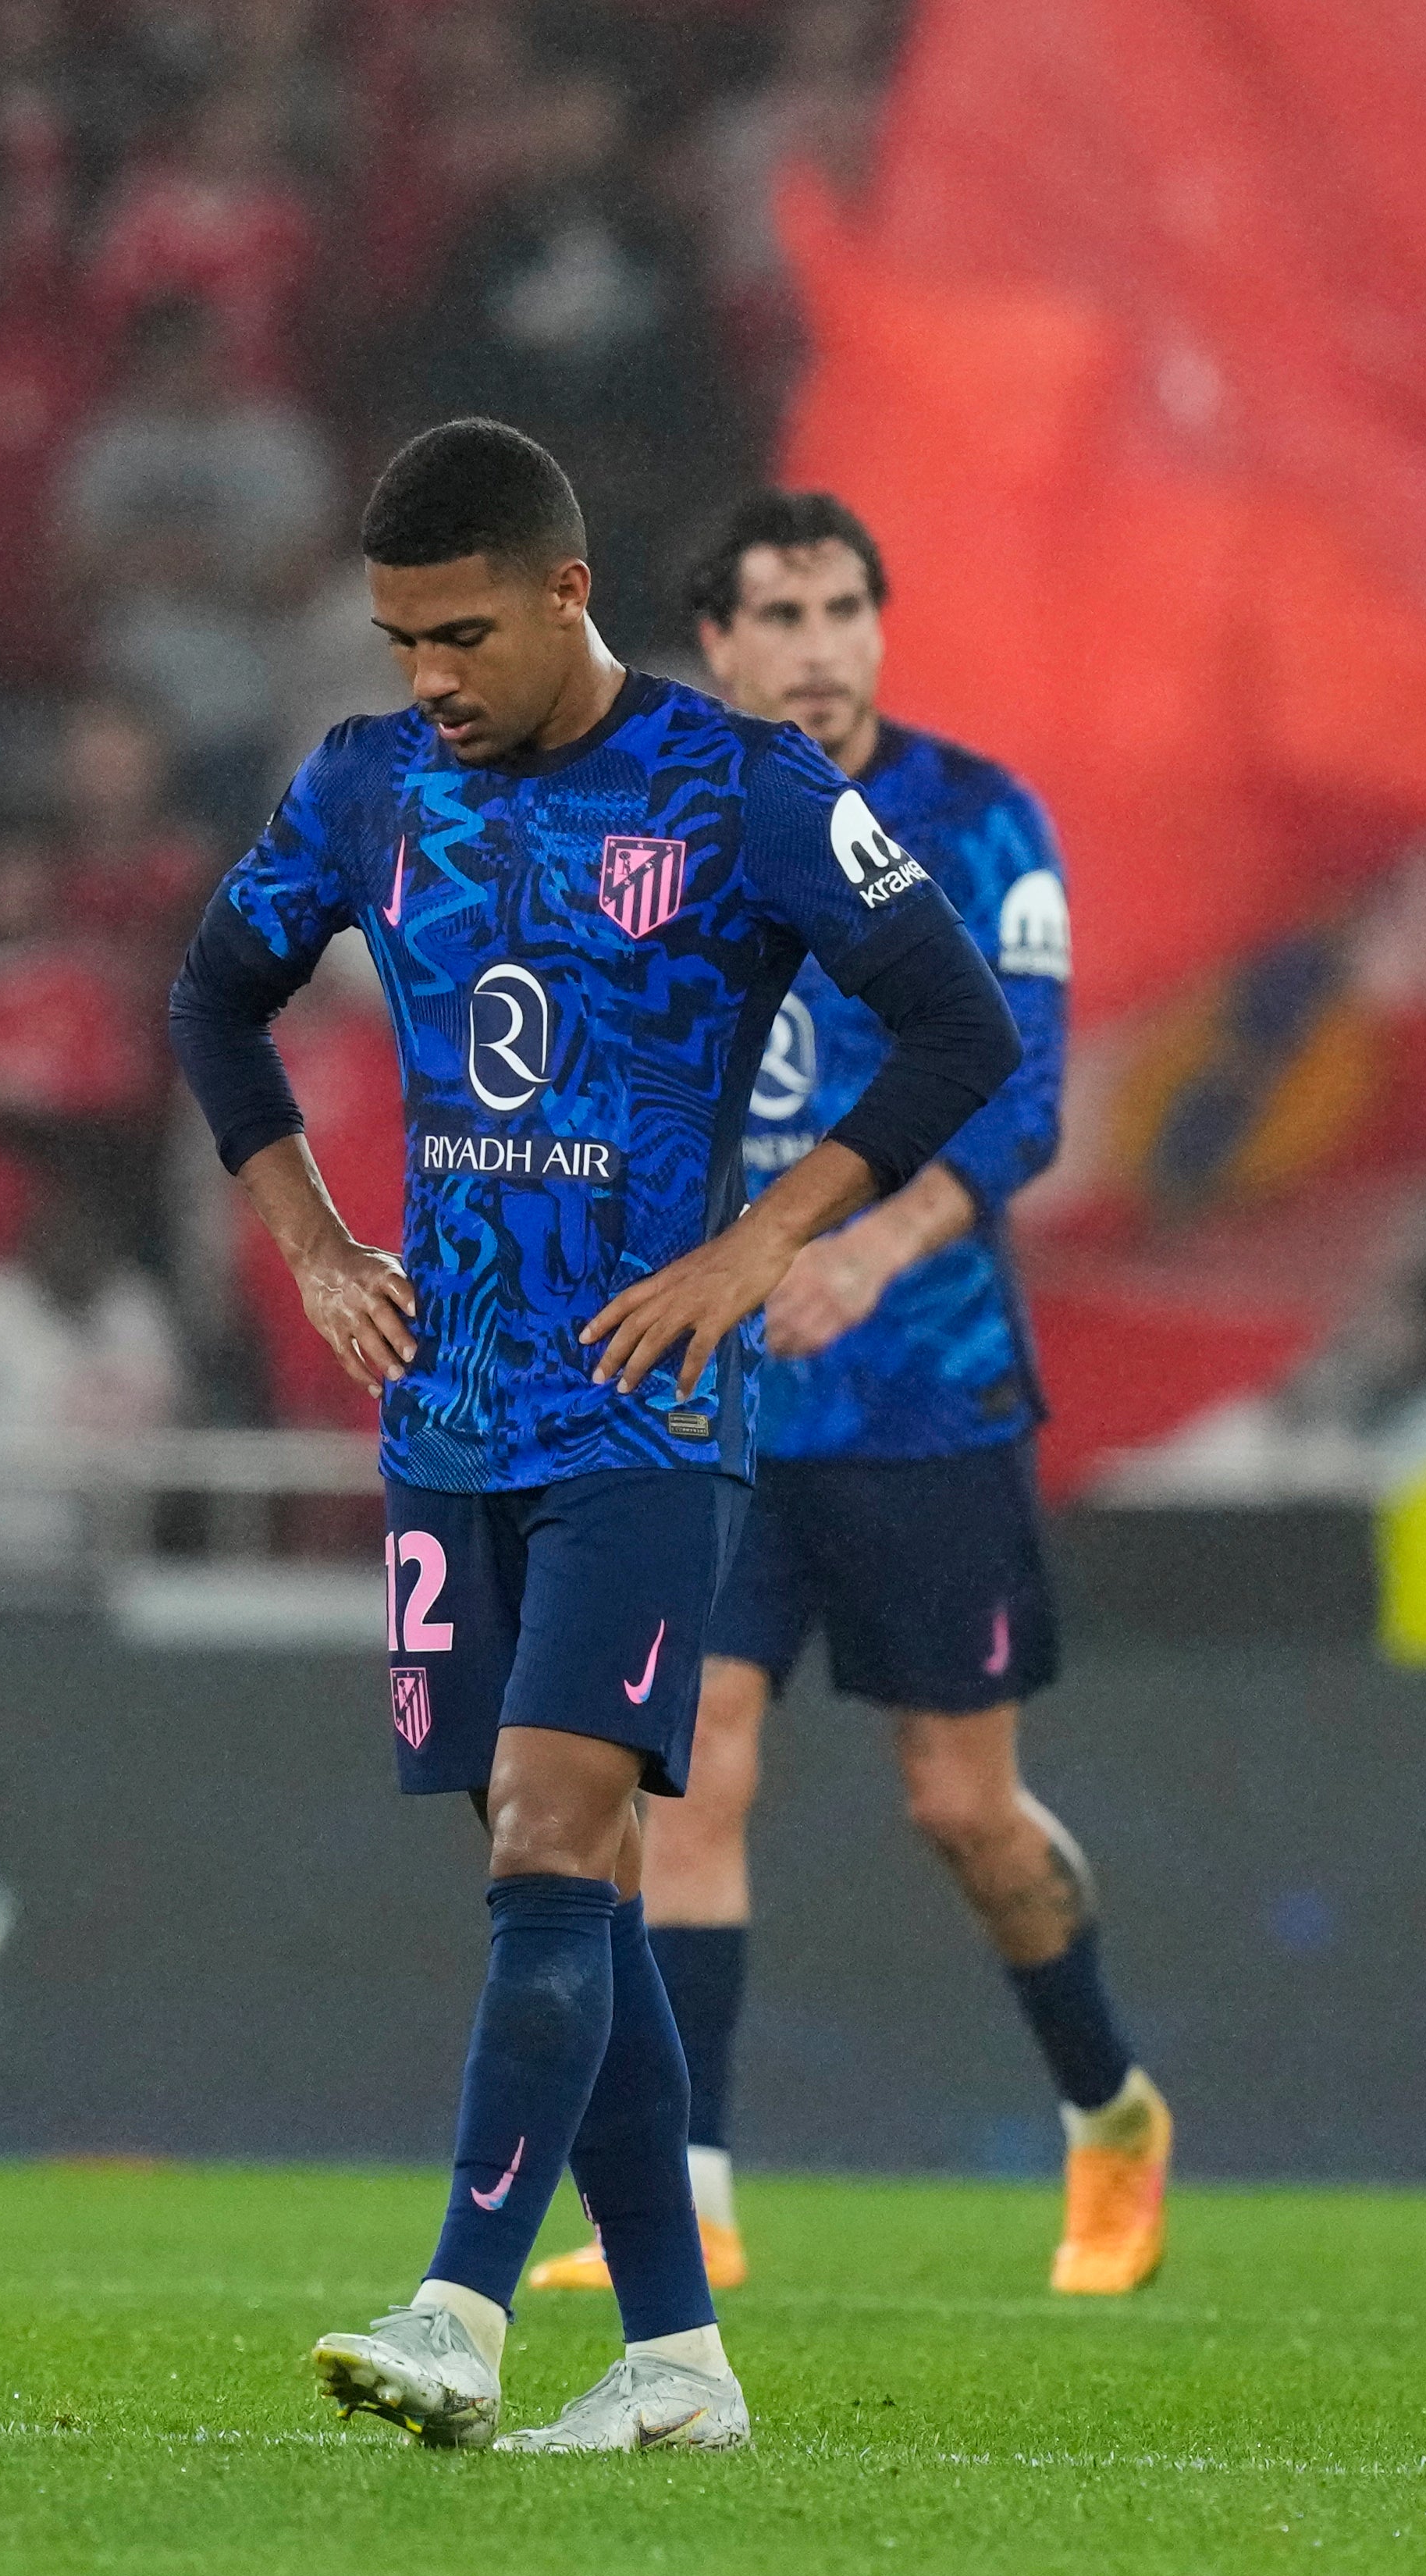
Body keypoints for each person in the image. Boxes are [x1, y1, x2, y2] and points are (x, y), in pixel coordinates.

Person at [169, 423, 1016, 2452]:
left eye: (461, 632)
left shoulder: (735, 786)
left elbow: (960, 1027)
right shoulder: (374, 787)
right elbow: (214, 997)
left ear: (566, 593)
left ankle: (460, 2309)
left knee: (555, 1843)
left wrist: (759, 1243)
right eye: (398, 639)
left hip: (641, 1409)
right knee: (575, 1887)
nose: (429, 677)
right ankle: (679, 2363)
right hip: (445, 1409)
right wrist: (307, 1244)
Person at [527, 491, 1162, 2301]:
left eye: (838, 609)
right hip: (717, 1404)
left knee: (958, 1807)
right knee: (693, 1763)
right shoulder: (653, 828)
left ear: (878, 626)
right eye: (773, 615)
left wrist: (866, 1257)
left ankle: (1107, 2108)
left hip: (923, 1394)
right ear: (710, 646)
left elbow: (1021, 1099)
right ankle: (694, 2200)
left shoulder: (978, 823)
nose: (812, 644)